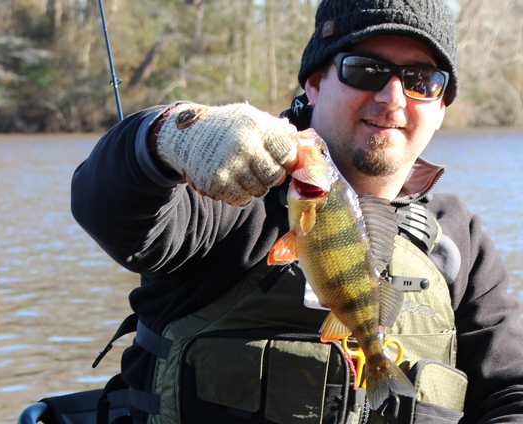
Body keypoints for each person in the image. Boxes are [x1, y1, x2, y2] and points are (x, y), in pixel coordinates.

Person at [71, 0, 523, 423]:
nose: (392, 98)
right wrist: (169, 135)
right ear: (315, 82)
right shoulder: (231, 191)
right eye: (365, 70)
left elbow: (510, 390)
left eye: (420, 81)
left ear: (441, 106)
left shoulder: (457, 238)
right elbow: (107, 209)